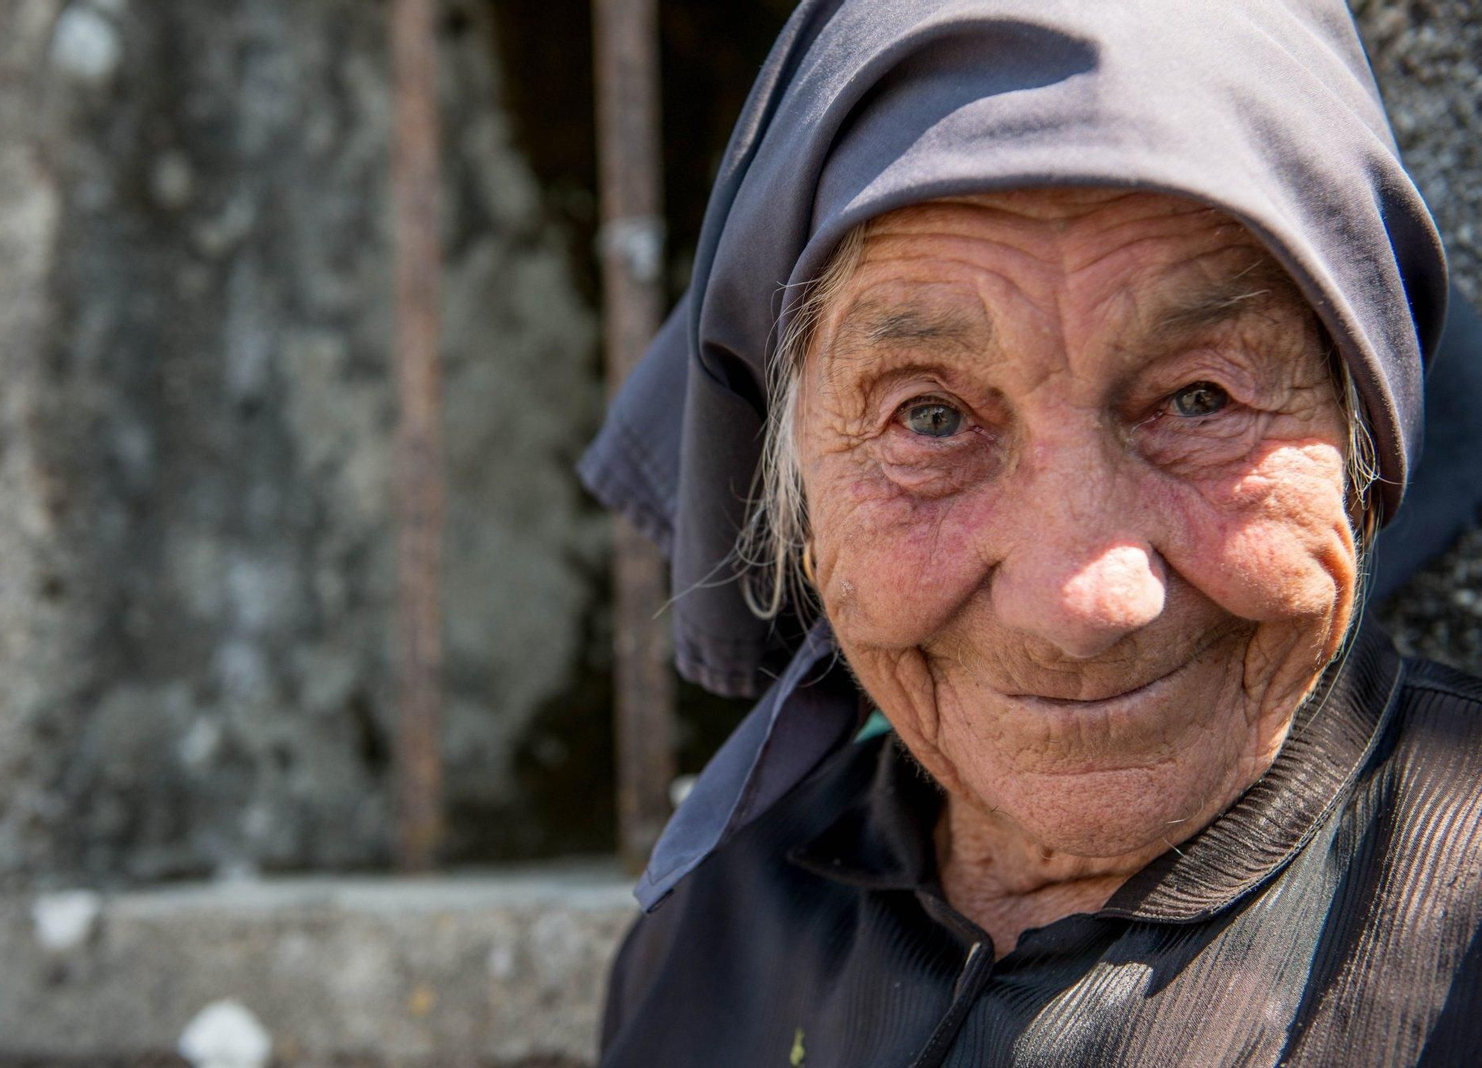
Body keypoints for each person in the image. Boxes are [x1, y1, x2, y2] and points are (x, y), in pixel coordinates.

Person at [578, 1, 1482, 1064]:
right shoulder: (710, 941)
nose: (1082, 606)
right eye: (930, 417)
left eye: (1198, 399)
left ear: (1360, 426)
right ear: (794, 496)